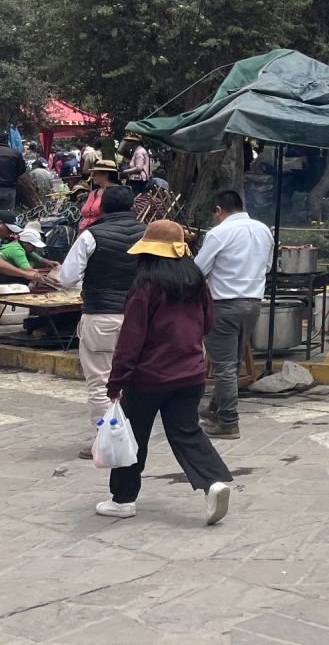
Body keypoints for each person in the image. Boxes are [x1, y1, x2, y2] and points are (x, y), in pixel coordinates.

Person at [95, 219, 234, 522]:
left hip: (148, 378)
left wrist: (116, 382)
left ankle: (123, 500)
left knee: (133, 437)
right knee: (187, 432)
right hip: (191, 374)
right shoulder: (197, 283)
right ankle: (213, 482)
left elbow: (131, 341)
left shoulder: (145, 287)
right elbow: (207, 323)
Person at [55, 184, 145, 458]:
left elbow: (67, 278)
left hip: (101, 316)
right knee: (135, 379)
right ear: (132, 207)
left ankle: (107, 440)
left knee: (101, 382)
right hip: (139, 318)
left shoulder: (91, 236)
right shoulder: (148, 234)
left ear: (101, 208)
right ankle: (132, 435)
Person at [192, 190, 272, 441]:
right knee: (233, 361)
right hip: (253, 303)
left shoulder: (219, 233)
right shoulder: (263, 230)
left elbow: (198, 269)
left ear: (218, 210)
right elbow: (268, 266)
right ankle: (216, 408)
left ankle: (229, 421)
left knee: (225, 366)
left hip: (224, 304)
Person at [77, 159, 121, 231]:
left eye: (95, 173)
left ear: (106, 174)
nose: (92, 176)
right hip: (86, 232)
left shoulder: (117, 193)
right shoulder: (93, 193)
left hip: (104, 232)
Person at [0, 139, 23, 220]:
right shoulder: (15, 153)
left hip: (8, 187)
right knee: (7, 216)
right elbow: (21, 170)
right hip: (9, 188)